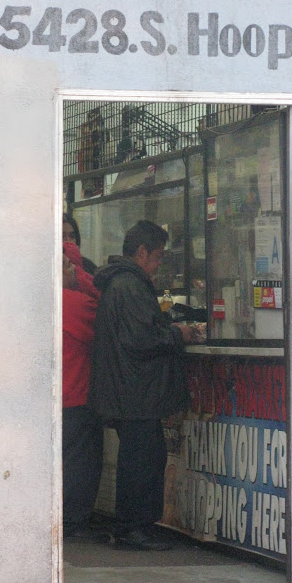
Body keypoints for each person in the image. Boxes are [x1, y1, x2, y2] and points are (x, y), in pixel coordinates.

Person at [87, 220, 198, 551]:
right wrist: (178, 334)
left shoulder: (121, 284)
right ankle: (132, 528)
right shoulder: (131, 286)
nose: (159, 262)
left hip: (129, 391)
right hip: (135, 393)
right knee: (142, 460)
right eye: (158, 256)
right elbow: (141, 339)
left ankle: (134, 525)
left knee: (142, 457)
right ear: (141, 252)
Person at [62, 243, 105, 542]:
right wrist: (81, 278)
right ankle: (74, 523)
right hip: (77, 396)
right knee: (81, 464)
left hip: (48, 399)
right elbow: (110, 307)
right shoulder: (76, 305)